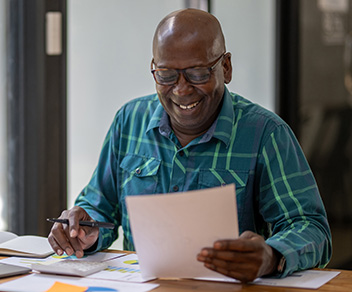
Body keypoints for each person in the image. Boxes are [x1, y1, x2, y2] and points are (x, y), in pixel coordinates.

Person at [47, 8, 332, 283]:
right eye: (167, 75)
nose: (181, 89)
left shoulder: (265, 133)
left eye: (197, 73)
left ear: (226, 67)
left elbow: (311, 227)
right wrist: (84, 228)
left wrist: (271, 256)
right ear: (153, 70)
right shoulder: (129, 122)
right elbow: (99, 208)